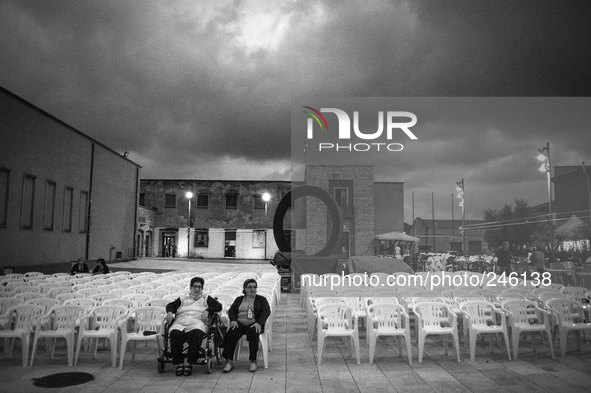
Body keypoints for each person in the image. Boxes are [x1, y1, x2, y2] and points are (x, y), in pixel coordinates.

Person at [165, 277, 222, 376]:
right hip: (180, 322)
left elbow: (218, 306)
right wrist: (170, 312)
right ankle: (179, 362)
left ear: (202, 288)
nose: (197, 289)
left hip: (197, 323)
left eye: (199, 287)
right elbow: (171, 305)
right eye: (195, 286)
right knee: (174, 334)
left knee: (195, 334)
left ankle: (189, 362)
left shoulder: (206, 299)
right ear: (190, 287)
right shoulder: (183, 298)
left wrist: (208, 310)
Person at [222, 279, 271, 373]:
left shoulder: (261, 299)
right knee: (231, 332)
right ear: (245, 289)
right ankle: (229, 361)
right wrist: (233, 320)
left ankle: (253, 361)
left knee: (253, 333)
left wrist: (259, 323)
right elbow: (231, 311)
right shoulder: (239, 299)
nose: (253, 289)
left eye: (254, 287)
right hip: (240, 323)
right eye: (250, 287)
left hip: (253, 323)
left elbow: (266, 312)